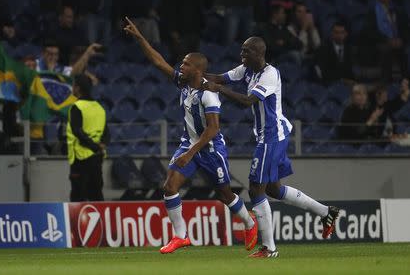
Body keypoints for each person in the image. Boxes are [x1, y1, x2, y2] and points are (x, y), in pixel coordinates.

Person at [124, 17, 257, 254]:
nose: (180, 67)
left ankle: (249, 222)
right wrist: (140, 38)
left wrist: (191, 153)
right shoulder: (184, 83)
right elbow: (158, 62)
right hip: (189, 145)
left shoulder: (208, 94)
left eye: (185, 64)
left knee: (224, 193)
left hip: (210, 149)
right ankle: (180, 236)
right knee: (169, 186)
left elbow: (213, 129)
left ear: (198, 70)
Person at [203, 37, 340, 258]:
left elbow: (248, 100)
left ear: (259, 53)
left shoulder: (270, 74)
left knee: (255, 188)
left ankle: (269, 249)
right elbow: (220, 77)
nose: (242, 55)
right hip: (269, 136)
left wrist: (217, 89)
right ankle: (326, 212)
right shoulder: (247, 69)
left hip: (271, 136)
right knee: (273, 189)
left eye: (246, 52)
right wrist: (195, 78)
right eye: (242, 51)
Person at [66, 74, 108, 202]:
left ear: (78, 88)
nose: (72, 88)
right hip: (97, 157)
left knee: (78, 197)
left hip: (80, 158)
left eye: (73, 85)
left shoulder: (77, 107)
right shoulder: (100, 108)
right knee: (97, 194)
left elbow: (77, 131)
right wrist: (100, 146)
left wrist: (93, 146)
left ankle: (77, 222)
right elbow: (107, 133)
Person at [315, 21, 354, 85]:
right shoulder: (323, 49)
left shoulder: (350, 49)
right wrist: (342, 80)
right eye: (336, 32)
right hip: (330, 84)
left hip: (349, 84)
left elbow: (352, 70)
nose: (339, 35)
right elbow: (324, 72)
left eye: (342, 32)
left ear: (346, 34)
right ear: (332, 33)